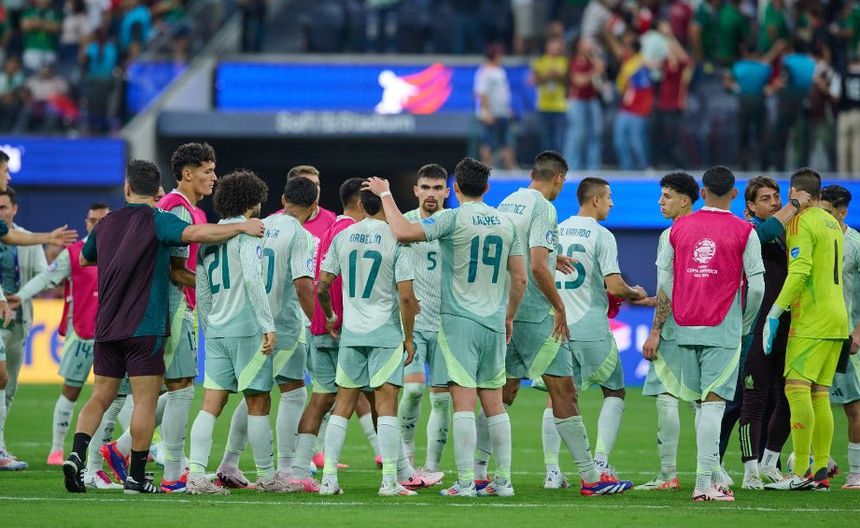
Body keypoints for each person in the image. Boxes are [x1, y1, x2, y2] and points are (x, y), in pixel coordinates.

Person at [61, 159, 265, 495]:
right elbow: (197, 233)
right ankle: (136, 477)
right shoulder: (158, 219)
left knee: (100, 396)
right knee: (145, 401)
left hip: (106, 324)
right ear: (157, 190)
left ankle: (76, 455)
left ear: (127, 188)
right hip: (145, 324)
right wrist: (241, 227)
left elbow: (85, 258)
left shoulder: (106, 224)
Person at [365, 158, 526, 498]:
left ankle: (466, 483)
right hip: (494, 323)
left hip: (457, 322)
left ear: (454, 188)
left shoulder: (452, 218)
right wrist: (509, 316)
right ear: (487, 188)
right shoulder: (507, 222)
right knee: (494, 404)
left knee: (462, 403)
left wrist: (386, 195)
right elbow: (520, 278)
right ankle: (504, 481)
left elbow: (403, 232)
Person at [656, 166, 765, 501]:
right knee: (714, 405)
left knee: (701, 404)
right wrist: (744, 323)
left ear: (702, 192)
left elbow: (663, 280)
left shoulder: (676, 229)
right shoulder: (745, 230)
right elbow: (757, 288)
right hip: (723, 327)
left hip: (685, 326)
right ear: (734, 194)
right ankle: (704, 484)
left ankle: (714, 477)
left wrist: (680, 308)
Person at [186, 170, 290, 494]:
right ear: (252, 201)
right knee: (258, 402)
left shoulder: (209, 238)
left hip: (217, 330)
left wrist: (210, 328)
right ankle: (268, 477)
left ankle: (195, 475)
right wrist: (267, 325)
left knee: (210, 404)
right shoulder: (248, 233)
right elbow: (253, 280)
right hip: (247, 330)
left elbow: (202, 290)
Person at [315, 188, 419, 497]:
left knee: (343, 405)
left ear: (361, 205)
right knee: (386, 407)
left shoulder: (343, 236)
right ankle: (389, 481)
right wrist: (409, 337)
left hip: (352, 333)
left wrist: (331, 316)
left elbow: (322, 286)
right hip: (385, 333)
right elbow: (406, 297)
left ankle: (328, 479)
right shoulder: (396, 239)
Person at [554, 177, 647, 481]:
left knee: (558, 395)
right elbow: (615, 286)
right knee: (615, 390)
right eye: (609, 197)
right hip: (589, 325)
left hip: (556, 324)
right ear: (595, 200)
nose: (612, 203)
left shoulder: (556, 230)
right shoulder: (602, 235)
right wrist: (635, 292)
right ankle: (601, 463)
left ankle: (552, 472)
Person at [762, 169, 847, 491]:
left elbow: (799, 271)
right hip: (836, 318)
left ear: (795, 193)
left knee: (796, 389)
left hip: (812, 319)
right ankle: (820, 470)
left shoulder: (800, 221)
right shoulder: (831, 222)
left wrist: (775, 312)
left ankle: (799, 471)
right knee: (819, 394)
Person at [10, 203, 109, 469]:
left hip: (113, 335)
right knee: (71, 391)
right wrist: (21, 296)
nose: (98, 225)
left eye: (103, 220)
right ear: (86, 223)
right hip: (82, 334)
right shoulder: (74, 253)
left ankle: (114, 453)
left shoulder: (121, 249)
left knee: (117, 397)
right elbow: (46, 277)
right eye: (93, 220)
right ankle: (56, 450)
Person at [731, 177, 809, 490]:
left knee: (791, 396)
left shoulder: (786, 235)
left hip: (788, 327)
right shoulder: (748, 229)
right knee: (754, 401)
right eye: (765, 198)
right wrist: (795, 204)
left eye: (777, 196)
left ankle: (769, 462)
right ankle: (750, 471)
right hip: (756, 328)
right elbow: (761, 233)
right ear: (750, 206)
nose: (775, 202)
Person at [155, 142, 216, 493]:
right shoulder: (178, 208)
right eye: (208, 171)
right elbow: (176, 270)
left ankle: (117, 450)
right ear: (187, 173)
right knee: (180, 388)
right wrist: (214, 287)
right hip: (174, 305)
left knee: (165, 387)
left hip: (174, 306)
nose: (214, 177)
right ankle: (173, 473)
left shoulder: (184, 207)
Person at [637, 172, 700, 491]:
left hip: (675, 327)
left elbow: (667, 286)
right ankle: (713, 472)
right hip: (708, 325)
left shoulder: (672, 234)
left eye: (667, 196)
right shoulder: (709, 231)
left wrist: (655, 331)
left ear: (685, 200)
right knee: (704, 401)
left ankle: (667, 474)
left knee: (666, 395)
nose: (660, 202)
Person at [398, 163, 450, 470]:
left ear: (446, 191)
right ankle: (407, 461)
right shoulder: (404, 223)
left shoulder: (454, 224)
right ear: (416, 190)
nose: (431, 193)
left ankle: (432, 468)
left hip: (445, 324)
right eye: (426, 187)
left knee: (442, 399)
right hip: (413, 323)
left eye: (437, 188)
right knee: (414, 390)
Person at [820, 184, 860, 490]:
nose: (822, 217)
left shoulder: (855, 245)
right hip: (817, 333)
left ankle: (856, 472)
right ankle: (822, 461)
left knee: (853, 406)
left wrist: (858, 332)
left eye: (828, 212)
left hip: (848, 336)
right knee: (808, 397)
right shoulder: (814, 238)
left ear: (843, 212)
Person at [563, 37, 605, 171]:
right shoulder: (575, 62)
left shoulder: (593, 62)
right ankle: (572, 166)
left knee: (595, 134)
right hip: (577, 101)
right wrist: (595, 71)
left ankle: (593, 167)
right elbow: (578, 81)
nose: (589, 47)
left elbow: (599, 84)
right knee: (576, 134)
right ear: (579, 47)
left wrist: (598, 69)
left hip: (592, 100)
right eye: (586, 44)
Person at [475, 43, 516, 170]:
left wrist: (508, 109)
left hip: (502, 112)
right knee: (488, 142)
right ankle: (486, 169)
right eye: (500, 55)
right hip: (491, 114)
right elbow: (482, 93)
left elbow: (503, 93)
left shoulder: (500, 71)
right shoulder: (485, 72)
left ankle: (511, 169)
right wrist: (486, 112)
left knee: (506, 142)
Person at [531, 36, 568, 152]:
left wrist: (559, 76)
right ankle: (547, 162)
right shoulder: (540, 62)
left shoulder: (565, 62)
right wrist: (547, 76)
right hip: (544, 106)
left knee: (560, 140)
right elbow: (533, 81)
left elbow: (568, 80)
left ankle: (560, 161)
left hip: (560, 106)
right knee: (546, 140)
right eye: (553, 45)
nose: (556, 49)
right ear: (547, 46)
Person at [829, 47, 860, 176]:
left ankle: (843, 177)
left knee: (843, 146)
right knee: (858, 148)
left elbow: (834, 95)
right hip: (859, 114)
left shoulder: (842, 73)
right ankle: (857, 177)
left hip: (845, 113)